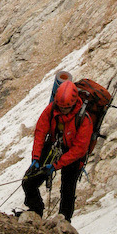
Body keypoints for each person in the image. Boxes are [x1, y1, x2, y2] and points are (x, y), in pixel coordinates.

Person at [22, 78, 93, 222]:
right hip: (55, 146)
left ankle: (64, 222)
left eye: (65, 108)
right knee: (28, 181)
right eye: (60, 107)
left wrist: (56, 165)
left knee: (67, 190)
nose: (62, 110)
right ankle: (35, 211)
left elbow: (79, 149)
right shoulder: (52, 108)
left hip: (73, 157)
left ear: (73, 105)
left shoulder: (84, 119)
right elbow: (40, 131)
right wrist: (36, 158)